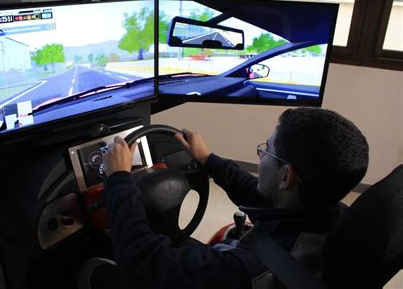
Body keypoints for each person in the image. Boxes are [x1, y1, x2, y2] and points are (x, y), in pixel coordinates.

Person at [78, 107, 369, 289]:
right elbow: (263, 198)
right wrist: (208, 159)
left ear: (285, 177)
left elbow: (142, 260)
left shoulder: (241, 272)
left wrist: (119, 179)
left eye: (265, 151)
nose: (260, 155)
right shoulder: (331, 214)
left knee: (93, 269)